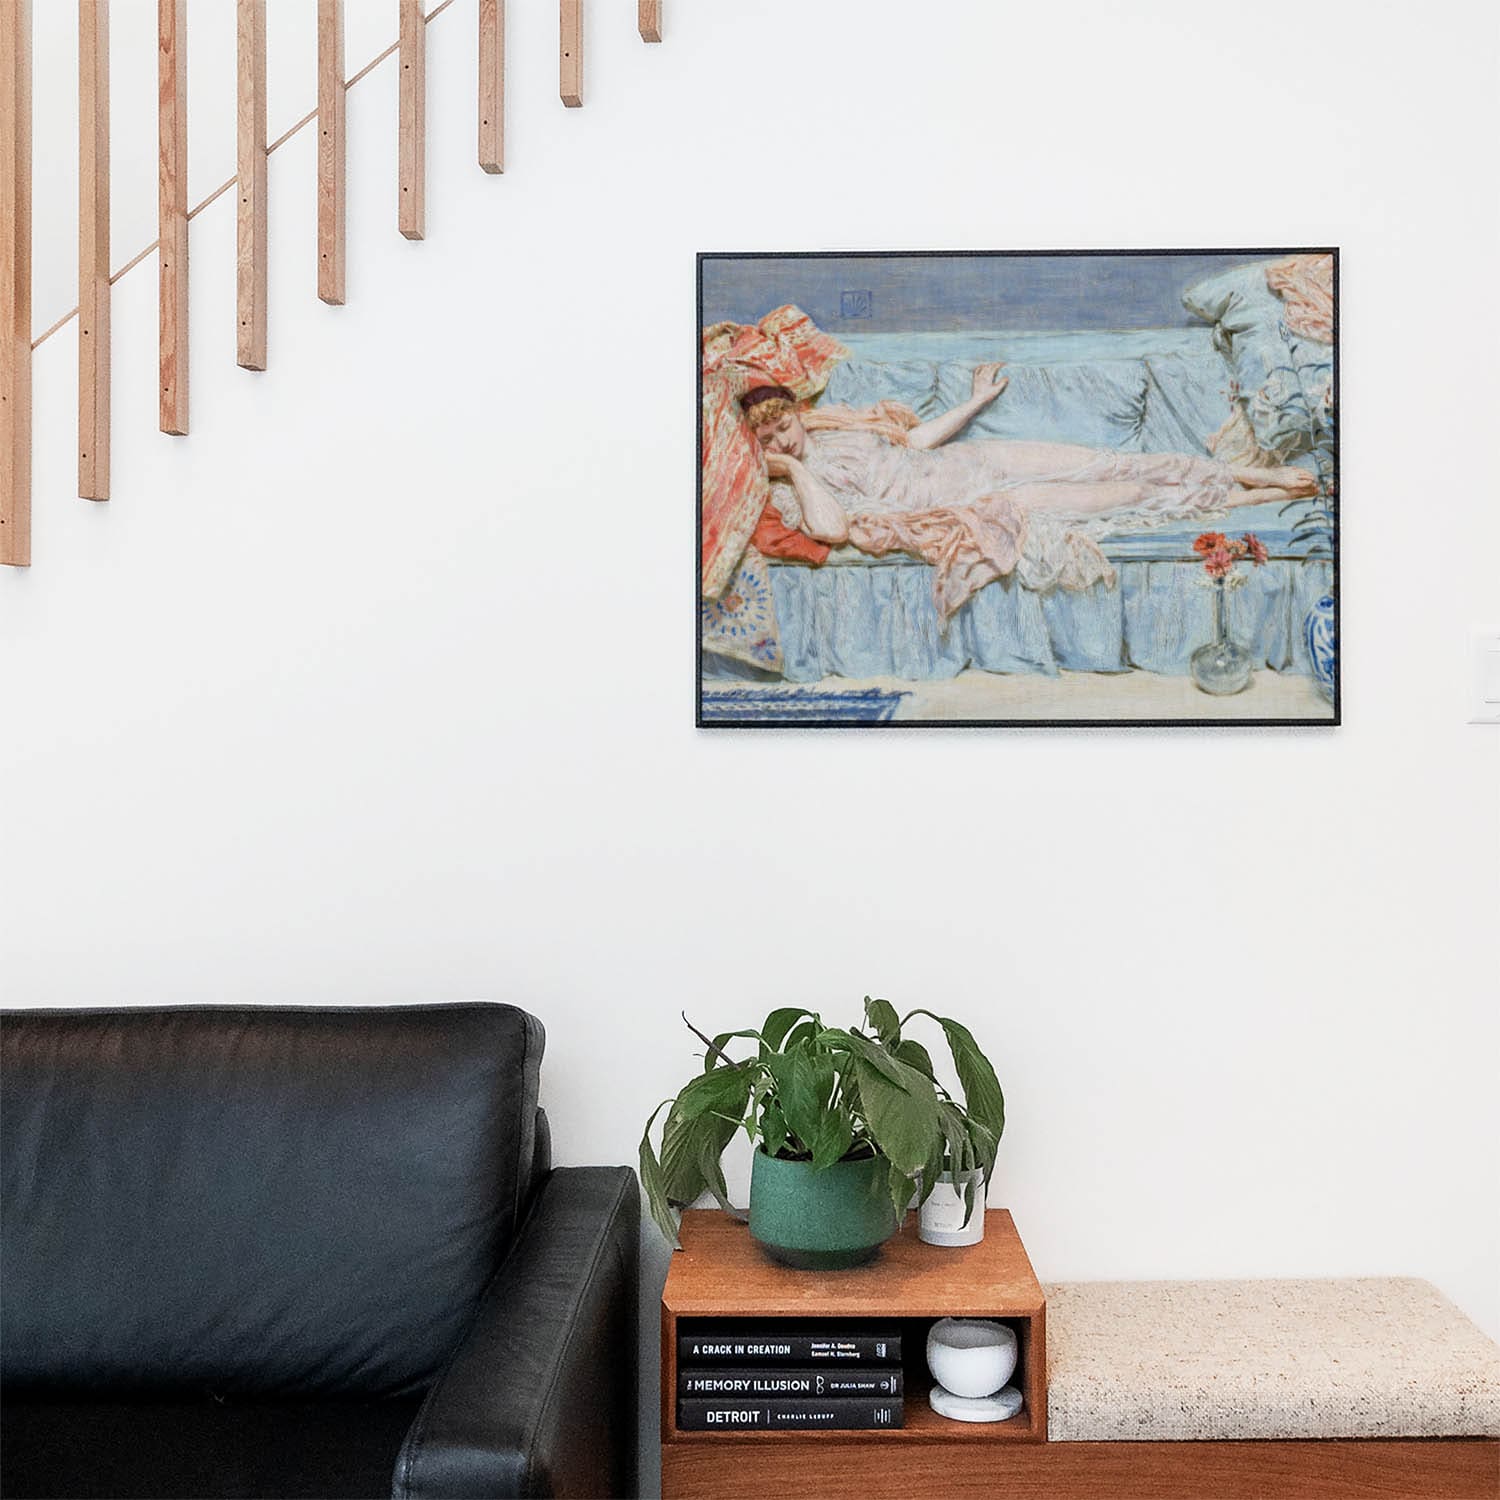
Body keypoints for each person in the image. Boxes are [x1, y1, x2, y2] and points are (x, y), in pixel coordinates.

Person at [741, 367, 1316, 548]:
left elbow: (916, 443)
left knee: (1111, 464)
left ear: (796, 413)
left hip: (979, 461)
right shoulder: (794, 484)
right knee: (1125, 497)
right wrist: (791, 468)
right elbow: (834, 532)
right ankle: (1257, 495)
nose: (784, 443)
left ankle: (1249, 472)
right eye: (769, 443)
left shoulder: (840, 426)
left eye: (786, 428)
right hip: (984, 502)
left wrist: (977, 400)